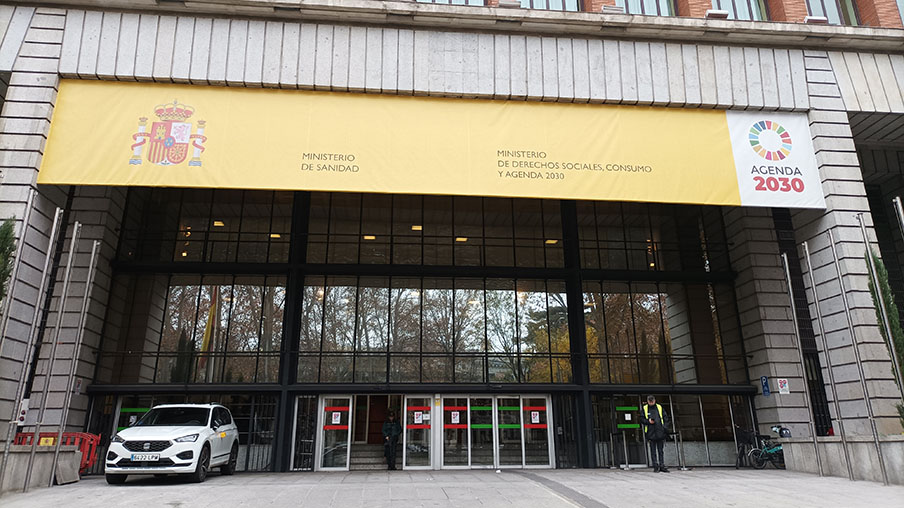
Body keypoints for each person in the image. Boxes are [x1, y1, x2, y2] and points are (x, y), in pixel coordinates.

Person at [641, 395, 670, 473]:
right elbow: (642, 419)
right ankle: (655, 466)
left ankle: (662, 465)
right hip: (650, 432)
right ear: (647, 401)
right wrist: (648, 421)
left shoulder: (659, 407)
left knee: (661, 450)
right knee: (653, 451)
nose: (651, 402)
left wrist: (664, 428)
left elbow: (665, 418)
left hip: (660, 431)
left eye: (652, 401)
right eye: (650, 401)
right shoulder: (645, 408)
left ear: (655, 400)